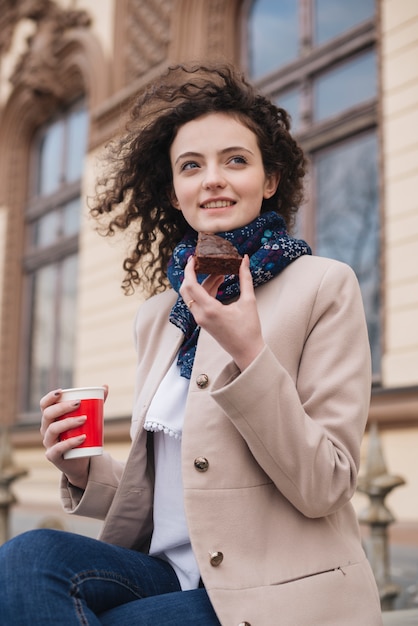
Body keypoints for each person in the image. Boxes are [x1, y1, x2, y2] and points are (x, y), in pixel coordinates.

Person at [0, 63, 383, 625]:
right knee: (27, 559)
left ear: (269, 179)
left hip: (271, 586)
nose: (213, 179)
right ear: (176, 194)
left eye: (236, 160)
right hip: (174, 571)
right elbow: (179, 491)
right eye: (191, 166)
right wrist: (84, 471)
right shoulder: (160, 316)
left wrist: (251, 356)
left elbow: (326, 484)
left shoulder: (323, 286)